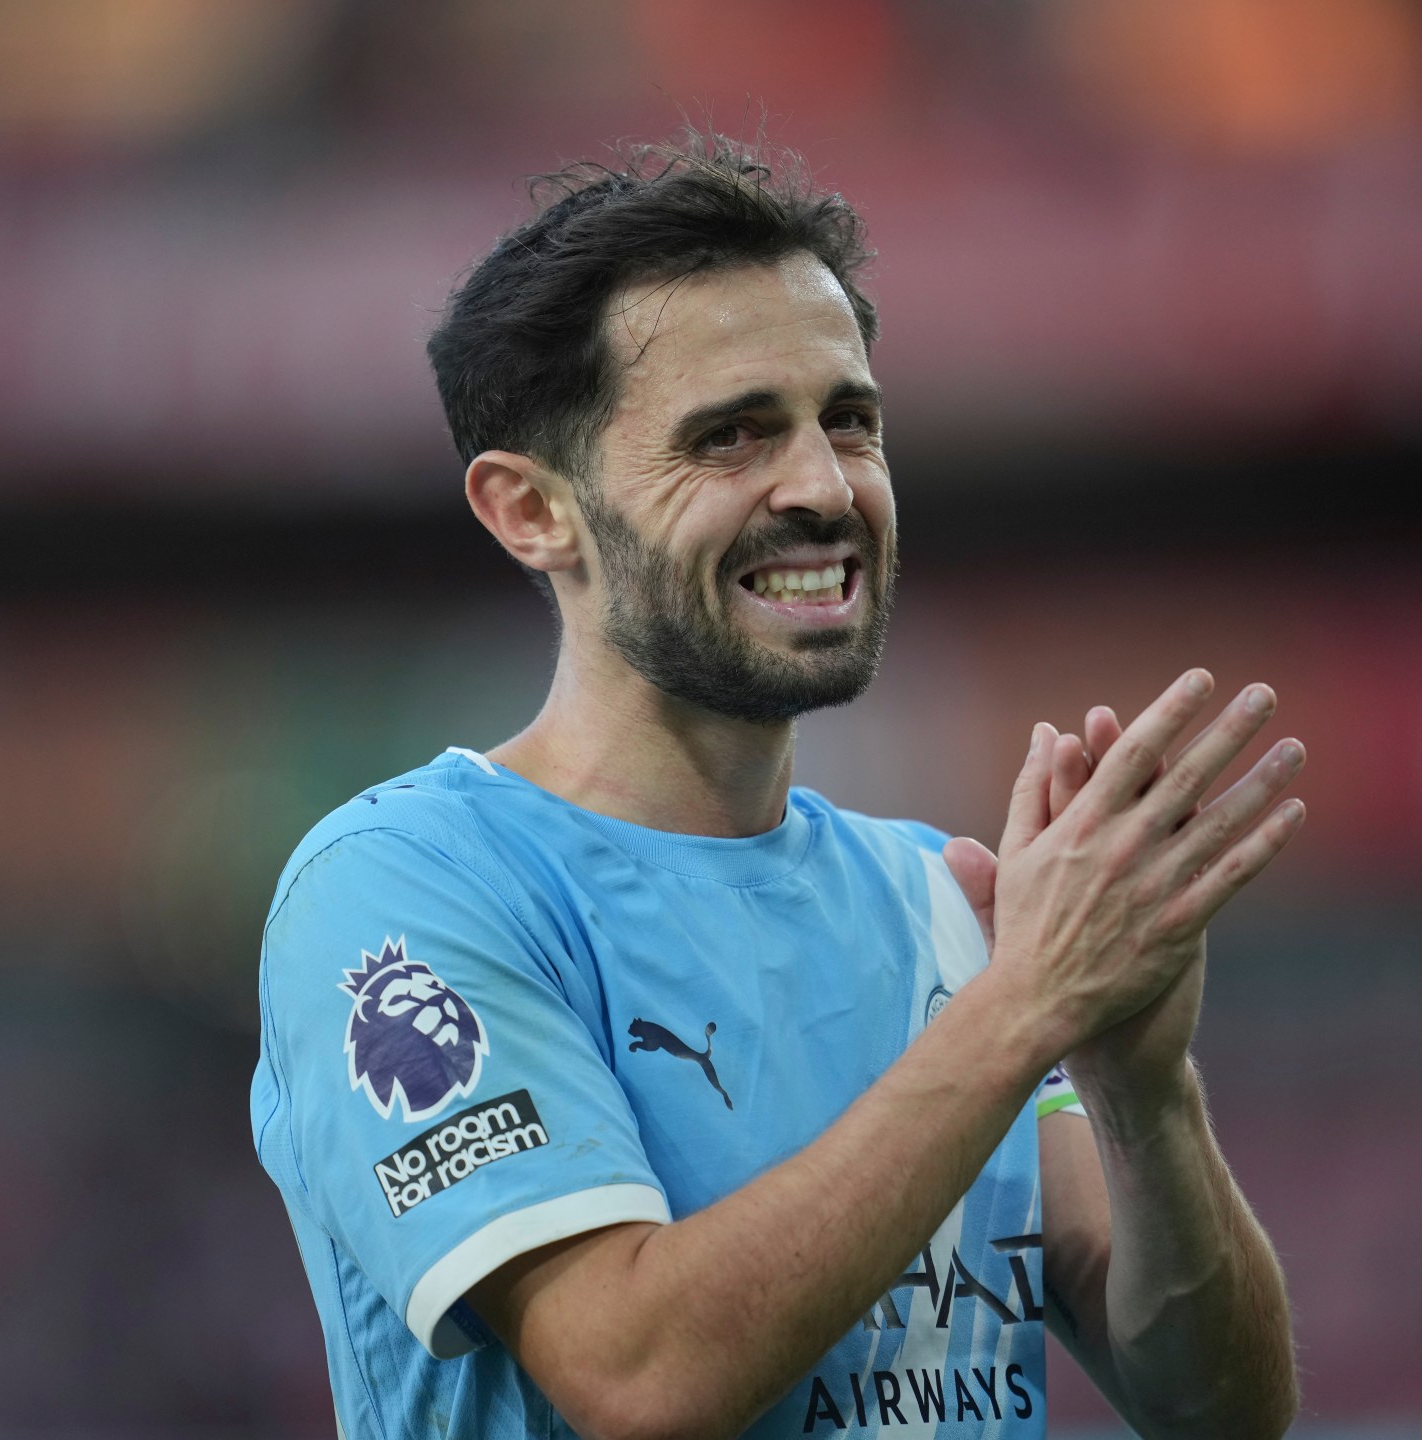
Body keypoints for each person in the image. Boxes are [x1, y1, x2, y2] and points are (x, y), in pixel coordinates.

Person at [251, 131, 1305, 1440]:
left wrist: (1145, 1091)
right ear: (533, 511)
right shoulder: (404, 890)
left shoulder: (941, 902)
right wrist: (1026, 1007)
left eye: (848, 421)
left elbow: (1222, 1415)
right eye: (732, 435)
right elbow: (637, 1377)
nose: (823, 487)